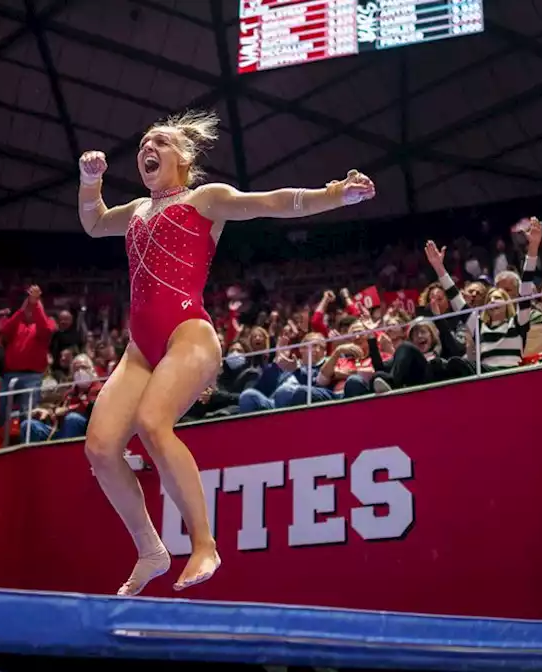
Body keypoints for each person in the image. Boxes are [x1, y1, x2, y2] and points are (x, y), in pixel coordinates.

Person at [76, 109, 376, 595]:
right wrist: (90, 182)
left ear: (184, 157)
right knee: (101, 448)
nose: (148, 147)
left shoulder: (205, 199)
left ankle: (203, 544)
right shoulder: (133, 211)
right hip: (140, 349)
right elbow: (92, 223)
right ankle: (151, 551)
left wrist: (335, 195)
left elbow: (273, 203)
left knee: (153, 423)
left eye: (162, 142)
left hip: (187, 334)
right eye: (144, 143)